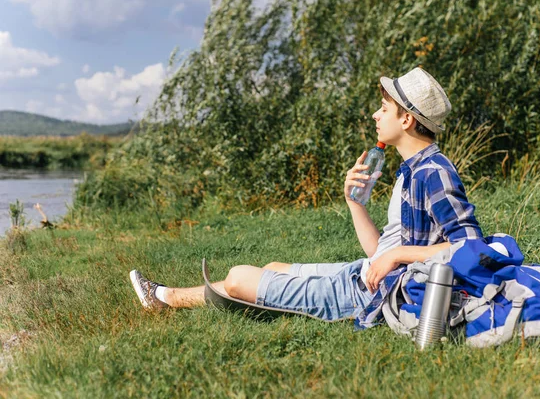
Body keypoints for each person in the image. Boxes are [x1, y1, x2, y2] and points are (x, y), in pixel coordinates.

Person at [130, 67, 483, 321]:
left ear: (406, 120)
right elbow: (380, 253)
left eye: (384, 108)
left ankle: (167, 297)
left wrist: (399, 255)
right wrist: (355, 204)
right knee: (272, 268)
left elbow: (470, 247)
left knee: (239, 277)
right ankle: (164, 298)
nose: (376, 114)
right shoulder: (410, 171)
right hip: (362, 273)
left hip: (366, 294)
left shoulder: (433, 173)